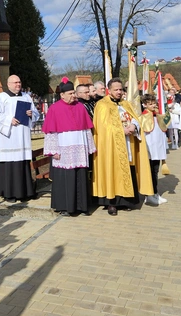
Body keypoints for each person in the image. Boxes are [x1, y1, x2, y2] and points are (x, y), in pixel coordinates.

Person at [92, 78, 154, 216]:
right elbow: (103, 128)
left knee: (128, 170)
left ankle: (126, 201)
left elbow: (135, 119)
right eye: (116, 90)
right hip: (111, 147)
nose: (119, 92)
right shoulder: (102, 105)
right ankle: (112, 203)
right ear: (109, 90)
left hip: (128, 144)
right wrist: (121, 131)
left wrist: (134, 125)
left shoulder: (126, 104)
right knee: (112, 171)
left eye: (121, 89)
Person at [42, 79, 95, 216]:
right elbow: (50, 132)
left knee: (81, 178)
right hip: (63, 151)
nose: (74, 96)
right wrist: (53, 151)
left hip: (80, 150)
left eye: (74, 93)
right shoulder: (54, 108)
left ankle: (82, 207)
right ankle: (65, 207)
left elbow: (86, 129)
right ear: (62, 95)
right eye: (71, 93)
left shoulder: (80, 107)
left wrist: (89, 147)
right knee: (65, 178)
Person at [0, 75, 40, 202]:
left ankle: (24, 191)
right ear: (8, 84)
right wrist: (9, 120)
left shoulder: (26, 96)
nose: (18, 84)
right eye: (15, 82)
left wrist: (31, 114)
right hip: (8, 137)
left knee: (22, 163)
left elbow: (36, 113)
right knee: (9, 164)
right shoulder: (1, 97)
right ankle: (9, 193)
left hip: (22, 136)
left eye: (19, 82)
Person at [140, 94, 168, 206]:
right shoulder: (143, 117)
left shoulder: (158, 116)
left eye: (154, 103)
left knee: (155, 171)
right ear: (145, 105)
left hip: (158, 148)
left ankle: (155, 193)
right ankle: (150, 194)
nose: (153, 105)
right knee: (150, 172)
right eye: (150, 104)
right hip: (149, 149)